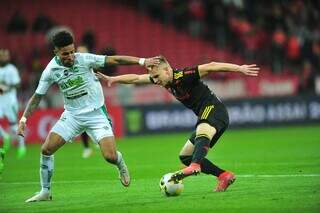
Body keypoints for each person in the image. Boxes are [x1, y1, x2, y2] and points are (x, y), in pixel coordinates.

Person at [17, 29, 159, 202]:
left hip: (96, 114)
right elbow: (37, 97)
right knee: (46, 149)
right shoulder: (50, 70)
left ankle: (120, 164)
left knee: (110, 156)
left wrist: (143, 61)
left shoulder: (85, 59)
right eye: (65, 54)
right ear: (56, 52)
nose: (70, 56)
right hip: (72, 116)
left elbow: (114, 59)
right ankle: (45, 191)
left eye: (71, 51)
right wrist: (24, 119)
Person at [96, 55, 259, 192]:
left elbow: (212, 66)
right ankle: (224, 176)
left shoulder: (185, 75)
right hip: (207, 116)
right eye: (153, 78)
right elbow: (137, 78)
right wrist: (113, 79)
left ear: (167, 70)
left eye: (157, 77)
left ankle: (195, 166)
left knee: (202, 129)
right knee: (185, 156)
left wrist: (239, 68)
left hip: (215, 110)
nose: (155, 81)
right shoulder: (163, 80)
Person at [0, 49, 26, 159]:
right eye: (2, 55)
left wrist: (7, 87)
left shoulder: (12, 69)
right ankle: (5, 137)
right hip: (0, 100)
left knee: (13, 125)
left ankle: (21, 146)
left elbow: (17, 84)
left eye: (6, 55)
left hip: (10, 100)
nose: (5, 57)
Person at [76, 44, 93, 158]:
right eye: (79, 52)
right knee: (82, 125)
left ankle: (98, 139)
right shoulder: (74, 67)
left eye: (83, 52)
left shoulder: (91, 64)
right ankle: (87, 147)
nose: (80, 54)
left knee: (96, 121)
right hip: (80, 101)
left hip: (93, 99)